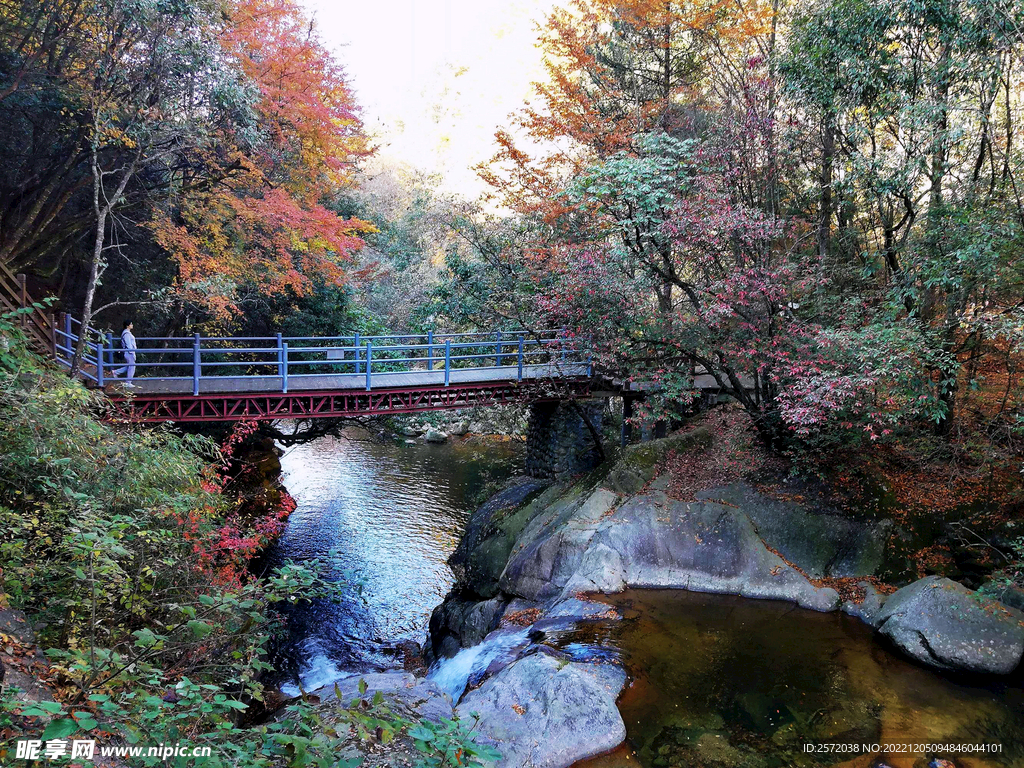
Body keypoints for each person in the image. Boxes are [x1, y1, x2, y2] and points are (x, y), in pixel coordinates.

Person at [111, 320, 137, 387]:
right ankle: (128, 382)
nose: (132, 325)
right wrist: (132, 352)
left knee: (130, 366)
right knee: (132, 367)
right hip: (129, 352)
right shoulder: (126, 334)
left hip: (129, 352)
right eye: (131, 324)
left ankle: (116, 372)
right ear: (127, 325)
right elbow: (128, 344)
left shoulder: (127, 333)